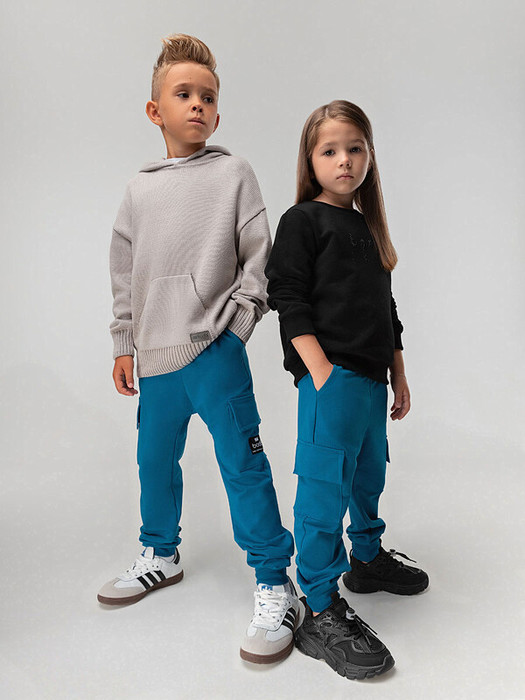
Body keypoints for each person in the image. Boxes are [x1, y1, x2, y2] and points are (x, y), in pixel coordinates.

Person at [98, 33, 297, 665]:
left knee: (243, 465)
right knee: (154, 462)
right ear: (154, 110)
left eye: (207, 97)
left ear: (217, 112)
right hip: (155, 359)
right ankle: (160, 554)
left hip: (215, 353)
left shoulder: (233, 174)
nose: (197, 105)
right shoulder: (139, 190)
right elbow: (124, 273)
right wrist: (125, 342)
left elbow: (259, 259)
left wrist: (237, 329)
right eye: (183, 94)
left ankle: (276, 582)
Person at [264, 100, 429, 680]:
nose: (344, 161)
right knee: (323, 487)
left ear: (370, 157)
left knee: (368, 475)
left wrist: (398, 373)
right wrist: (321, 372)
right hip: (330, 379)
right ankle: (319, 603)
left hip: (371, 380)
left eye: (355, 149)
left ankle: (367, 559)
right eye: (330, 150)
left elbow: (386, 310)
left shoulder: (365, 227)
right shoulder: (302, 221)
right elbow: (287, 295)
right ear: (310, 160)